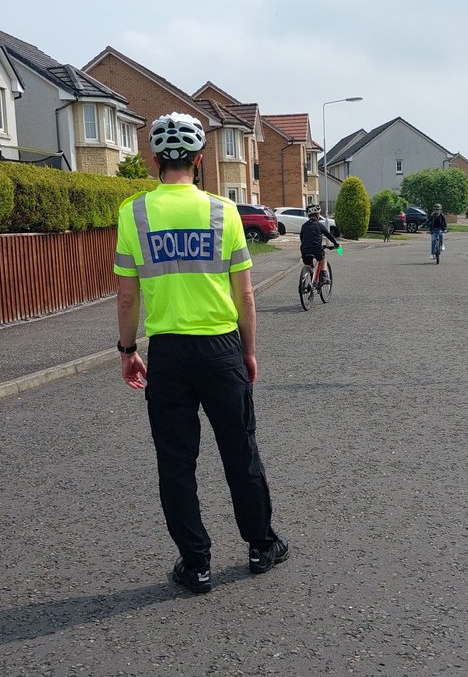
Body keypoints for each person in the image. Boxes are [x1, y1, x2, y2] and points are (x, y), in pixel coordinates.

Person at [113, 113, 287, 596]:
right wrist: (248, 352)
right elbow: (245, 297)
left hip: (167, 353)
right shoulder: (223, 213)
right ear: (200, 159)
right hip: (221, 348)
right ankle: (260, 546)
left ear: (153, 161)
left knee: (176, 462)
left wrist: (128, 350)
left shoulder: (134, 214)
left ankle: (197, 564)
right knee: (240, 451)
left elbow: (128, 298)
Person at [299, 203, 340, 280]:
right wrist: (336, 244)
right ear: (317, 214)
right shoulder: (319, 225)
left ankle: (309, 279)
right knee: (323, 257)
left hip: (304, 250)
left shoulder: (304, 226)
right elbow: (329, 236)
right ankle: (324, 275)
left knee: (309, 264)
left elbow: (302, 238)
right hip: (317, 249)